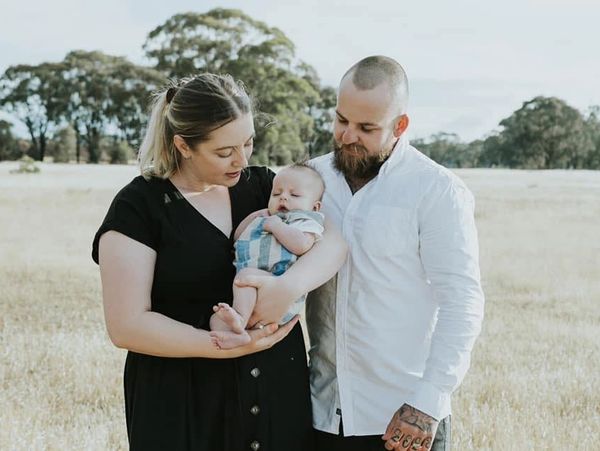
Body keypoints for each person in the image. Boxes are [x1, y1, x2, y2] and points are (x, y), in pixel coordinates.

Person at [91, 73, 346, 451]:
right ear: (184, 145)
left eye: (248, 143)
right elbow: (126, 326)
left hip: (277, 394)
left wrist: (287, 288)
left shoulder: (264, 186)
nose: (242, 160)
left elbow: (333, 242)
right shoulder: (139, 206)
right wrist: (223, 345)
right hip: (183, 404)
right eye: (225, 152)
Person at [306, 56, 485, 450]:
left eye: (366, 128)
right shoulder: (310, 179)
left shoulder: (437, 191)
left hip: (403, 420)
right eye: (341, 121)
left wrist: (429, 400)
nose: (347, 136)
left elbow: (462, 303)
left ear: (400, 126)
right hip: (319, 414)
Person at [210, 163, 327, 349]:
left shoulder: (305, 221)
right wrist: (257, 216)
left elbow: (301, 245)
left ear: (315, 206)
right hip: (251, 291)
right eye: (276, 194)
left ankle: (240, 321)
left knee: (245, 278)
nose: (284, 198)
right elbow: (239, 236)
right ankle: (238, 333)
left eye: (294, 195)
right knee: (215, 321)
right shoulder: (266, 217)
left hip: (279, 286)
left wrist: (276, 226)